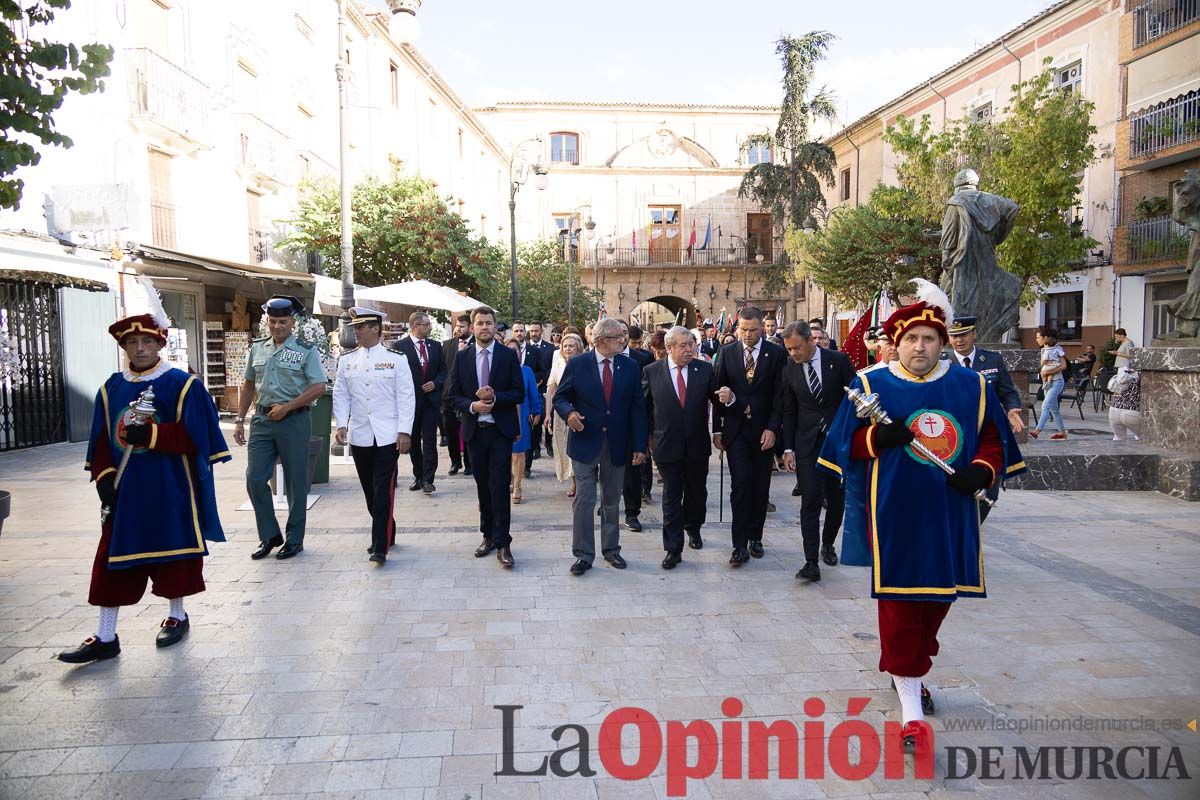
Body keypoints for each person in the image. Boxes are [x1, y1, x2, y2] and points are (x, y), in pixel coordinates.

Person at [817, 280, 1025, 754]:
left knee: (938, 600)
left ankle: (905, 666)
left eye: (929, 338)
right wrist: (876, 441)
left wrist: (981, 469)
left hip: (950, 513)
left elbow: (994, 440)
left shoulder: (970, 386)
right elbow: (839, 447)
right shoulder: (871, 384)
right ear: (896, 342)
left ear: (943, 341)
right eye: (910, 339)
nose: (919, 346)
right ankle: (911, 708)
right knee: (900, 601)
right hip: (894, 511)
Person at [58, 284, 231, 663]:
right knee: (112, 559)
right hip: (126, 490)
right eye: (132, 342)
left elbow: (199, 435)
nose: (139, 348)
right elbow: (102, 438)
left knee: (173, 556)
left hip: (170, 488)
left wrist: (153, 434)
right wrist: (104, 477)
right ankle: (106, 636)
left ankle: (176, 615)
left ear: (159, 343)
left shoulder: (181, 384)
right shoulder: (112, 388)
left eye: (146, 341)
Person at [553, 317, 649, 575]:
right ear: (601, 340)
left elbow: (638, 409)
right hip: (585, 442)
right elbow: (561, 397)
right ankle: (583, 554)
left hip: (617, 444)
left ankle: (611, 550)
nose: (623, 340)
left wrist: (640, 445)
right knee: (585, 499)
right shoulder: (578, 364)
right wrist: (569, 413)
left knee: (610, 500)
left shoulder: (629, 366)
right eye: (618, 337)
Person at [236, 296, 327, 560]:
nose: (277, 326)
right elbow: (249, 385)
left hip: (294, 420)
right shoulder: (258, 348)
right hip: (263, 421)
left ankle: (294, 540)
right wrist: (240, 419)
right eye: (273, 321)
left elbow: (318, 387)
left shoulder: (304, 349)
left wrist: (287, 407)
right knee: (254, 478)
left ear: (293, 322)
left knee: (296, 482)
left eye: (282, 322)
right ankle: (269, 535)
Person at [333, 307, 415, 563]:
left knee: (382, 490)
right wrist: (341, 424)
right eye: (354, 327)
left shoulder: (396, 358)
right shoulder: (347, 360)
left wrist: (405, 430)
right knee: (369, 490)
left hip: (388, 435)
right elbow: (341, 393)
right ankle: (387, 527)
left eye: (361, 327)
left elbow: (406, 396)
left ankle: (379, 545)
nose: (355, 331)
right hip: (360, 435)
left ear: (376, 329)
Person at [778, 320, 855, 581]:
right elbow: (788, 412)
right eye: (789, 349)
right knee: (810, 498)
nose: (793, 354)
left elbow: (854, 398)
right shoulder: (789, 370)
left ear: (811, 340)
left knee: (836, 498)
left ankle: (828, 543)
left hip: (836, 441)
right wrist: (788, 448)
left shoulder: (839, 361)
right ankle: (811, 561)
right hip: (807, 443)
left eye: (797, 348)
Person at [447, 307, 524, 567]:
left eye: (489, 323)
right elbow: (452, 395)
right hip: (474, 432)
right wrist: (472, 406)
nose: (484, 327)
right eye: (479, 323)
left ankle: (504, 542)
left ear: (495, 327)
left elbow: (518, 393)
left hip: (500, 431)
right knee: (482, 486)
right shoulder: (463, 357)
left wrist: (495, 398)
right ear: (472, 327)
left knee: (500, 486)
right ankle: (487, 536)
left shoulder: (508, 356)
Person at [713, 305, 785, 566]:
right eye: (743, 330)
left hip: (764, 431)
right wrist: (717, 428)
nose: (748, 334)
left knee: (760, 488)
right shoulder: (728, 352)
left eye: (753, 330)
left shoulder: (776, 354)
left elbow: (780, 396)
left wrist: (773, 428)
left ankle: (756, 537)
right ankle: (739, 544)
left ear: (761, 328)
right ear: (737, 327)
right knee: (740, 486)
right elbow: (718, 390)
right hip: (737, 431)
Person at [642, 325, 718, 568]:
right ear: (669, 348)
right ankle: (673, 549)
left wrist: (728, 397)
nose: (689, 349)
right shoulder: (652, 371)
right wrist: (644, 441)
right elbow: (645, 410)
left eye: (692, 344)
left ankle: (693, 528)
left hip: (697, 444)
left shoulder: (705, 370)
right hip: (666, 445)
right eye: (684, 345)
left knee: (697, 493)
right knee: (671, 497)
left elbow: (718, 401)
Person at [946, 315, 1025, 520]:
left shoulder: (992, 360)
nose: (959, 340)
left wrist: (1012, 409)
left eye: (963, 335)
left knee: (989, 491)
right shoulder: (942, 363)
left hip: (987, 435)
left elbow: (1007, 392)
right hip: (954, 437)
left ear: (974, 334)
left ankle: (974, 531)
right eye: (954, 336)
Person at [393, 312, 445, 494]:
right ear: (415, 326)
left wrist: (436, 383)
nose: (429, 328)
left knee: (429, 440)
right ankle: (419, 475)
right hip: (410, 402)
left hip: (431, 402)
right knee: (413, 440)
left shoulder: (436, 346)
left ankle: (429, 479)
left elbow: (443, 372)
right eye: (426, 325)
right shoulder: (399, 346)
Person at [505, 333, 543, 504]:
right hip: (503, 414)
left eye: (516, 351)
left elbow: (534, 394)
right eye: (509, 351)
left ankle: (518, 485)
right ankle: (509, 481)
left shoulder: (526, 371)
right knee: (505, 453)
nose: (513, 354)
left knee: (519, 453)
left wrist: (537, 411)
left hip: (522, 414)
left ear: (520, 353)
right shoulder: (498, 370)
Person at [545, 332, 584, 498]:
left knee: (578, 447)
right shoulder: (558, 364)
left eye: (571, 345)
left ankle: (580, 482)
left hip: (579, 411)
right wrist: (547, 414)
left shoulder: (584, 363)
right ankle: (573, 481)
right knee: (564, 448)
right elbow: (551, 391)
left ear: (578, 348)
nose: (567, 348)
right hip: (560, 413)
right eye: (565, 346)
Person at [442, 314, 472, 476]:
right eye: (457, 326)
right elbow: (442, 370)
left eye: (462, 326)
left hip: (468, 396)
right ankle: (455, 462)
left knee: (467, 430)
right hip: (448, 397)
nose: (458, 329)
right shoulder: (447, 345)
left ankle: (469, 463)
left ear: (470, 327)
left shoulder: (477, 345)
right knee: (451, 431)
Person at [1030, 327, 1068, 441]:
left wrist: (1049, 371)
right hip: (1046, 382)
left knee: (1045, 406)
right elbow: (1041, 365)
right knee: (1053, 409)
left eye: (1038, 337)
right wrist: (1043, 370)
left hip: (1057, 382)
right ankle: (1062, 432)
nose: (1036, 339)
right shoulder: (1043, 350)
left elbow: (1063, 365)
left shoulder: (1058, 349)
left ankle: (1037, 431)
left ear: (1045, 337)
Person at [528, 319, 557, 458]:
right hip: (532, 389)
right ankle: (536, 447)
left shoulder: (551, 349)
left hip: (546, 387)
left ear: (541, 331)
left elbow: (552, 368)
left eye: (536, 331)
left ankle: (549, 444)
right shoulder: (526, 348)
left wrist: (543, 381)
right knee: (536, 420)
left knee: (548, 416)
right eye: (531, 331)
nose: (533, 333)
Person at [1108, 368, 1142, 441]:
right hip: (1131, 411)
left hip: (1114, 411)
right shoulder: (1139, 378)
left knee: (1118, 438)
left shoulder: (1119, 377)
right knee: (1144, 437)